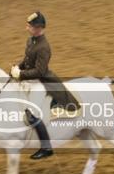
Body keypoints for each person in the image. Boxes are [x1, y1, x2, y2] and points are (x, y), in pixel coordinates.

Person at [10, 11, 80, 160]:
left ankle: (46, 147)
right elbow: (27, 60)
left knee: (32, 113)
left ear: (38, 28)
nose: (27, 28)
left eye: (29, 26)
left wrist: (20, 75)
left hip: (40, 83)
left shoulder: (43, 47)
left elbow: (40, 71)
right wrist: (17, 69)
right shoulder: (31, 40)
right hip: (29, 79)